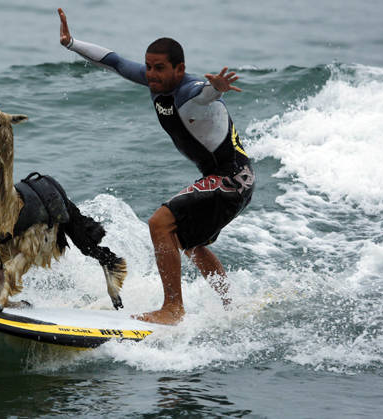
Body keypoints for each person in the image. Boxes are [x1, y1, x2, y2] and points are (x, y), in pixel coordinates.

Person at [58, 8, 255, 325]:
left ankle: (172, 310)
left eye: (160, 68)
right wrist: (71, 43)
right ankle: (233, 307)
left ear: (180, 69)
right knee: (188, 243)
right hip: (223, 179)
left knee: (160, 223)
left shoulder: (187, 91)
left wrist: (217, 87)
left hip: (232, 180)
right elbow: (114, 61)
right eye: (149, 67)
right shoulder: (157, 83)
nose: (151, 74)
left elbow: (205, 95)